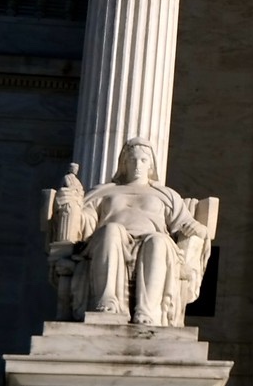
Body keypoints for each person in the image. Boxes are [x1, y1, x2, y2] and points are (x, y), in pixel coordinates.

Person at [49, 139, 207, 326]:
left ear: (151, 165)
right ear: (124, 163)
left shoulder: (167, 195)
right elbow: (85, 222)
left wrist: (199, 229)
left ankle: (148, 312)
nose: (137, 165)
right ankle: (107, 302)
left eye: (143, 160)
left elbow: (189, 225)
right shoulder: (104, 191)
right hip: (108, 241)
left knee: (159, 241)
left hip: (152, 241)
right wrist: (70, 202)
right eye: (132, 160)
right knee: (111, 230)